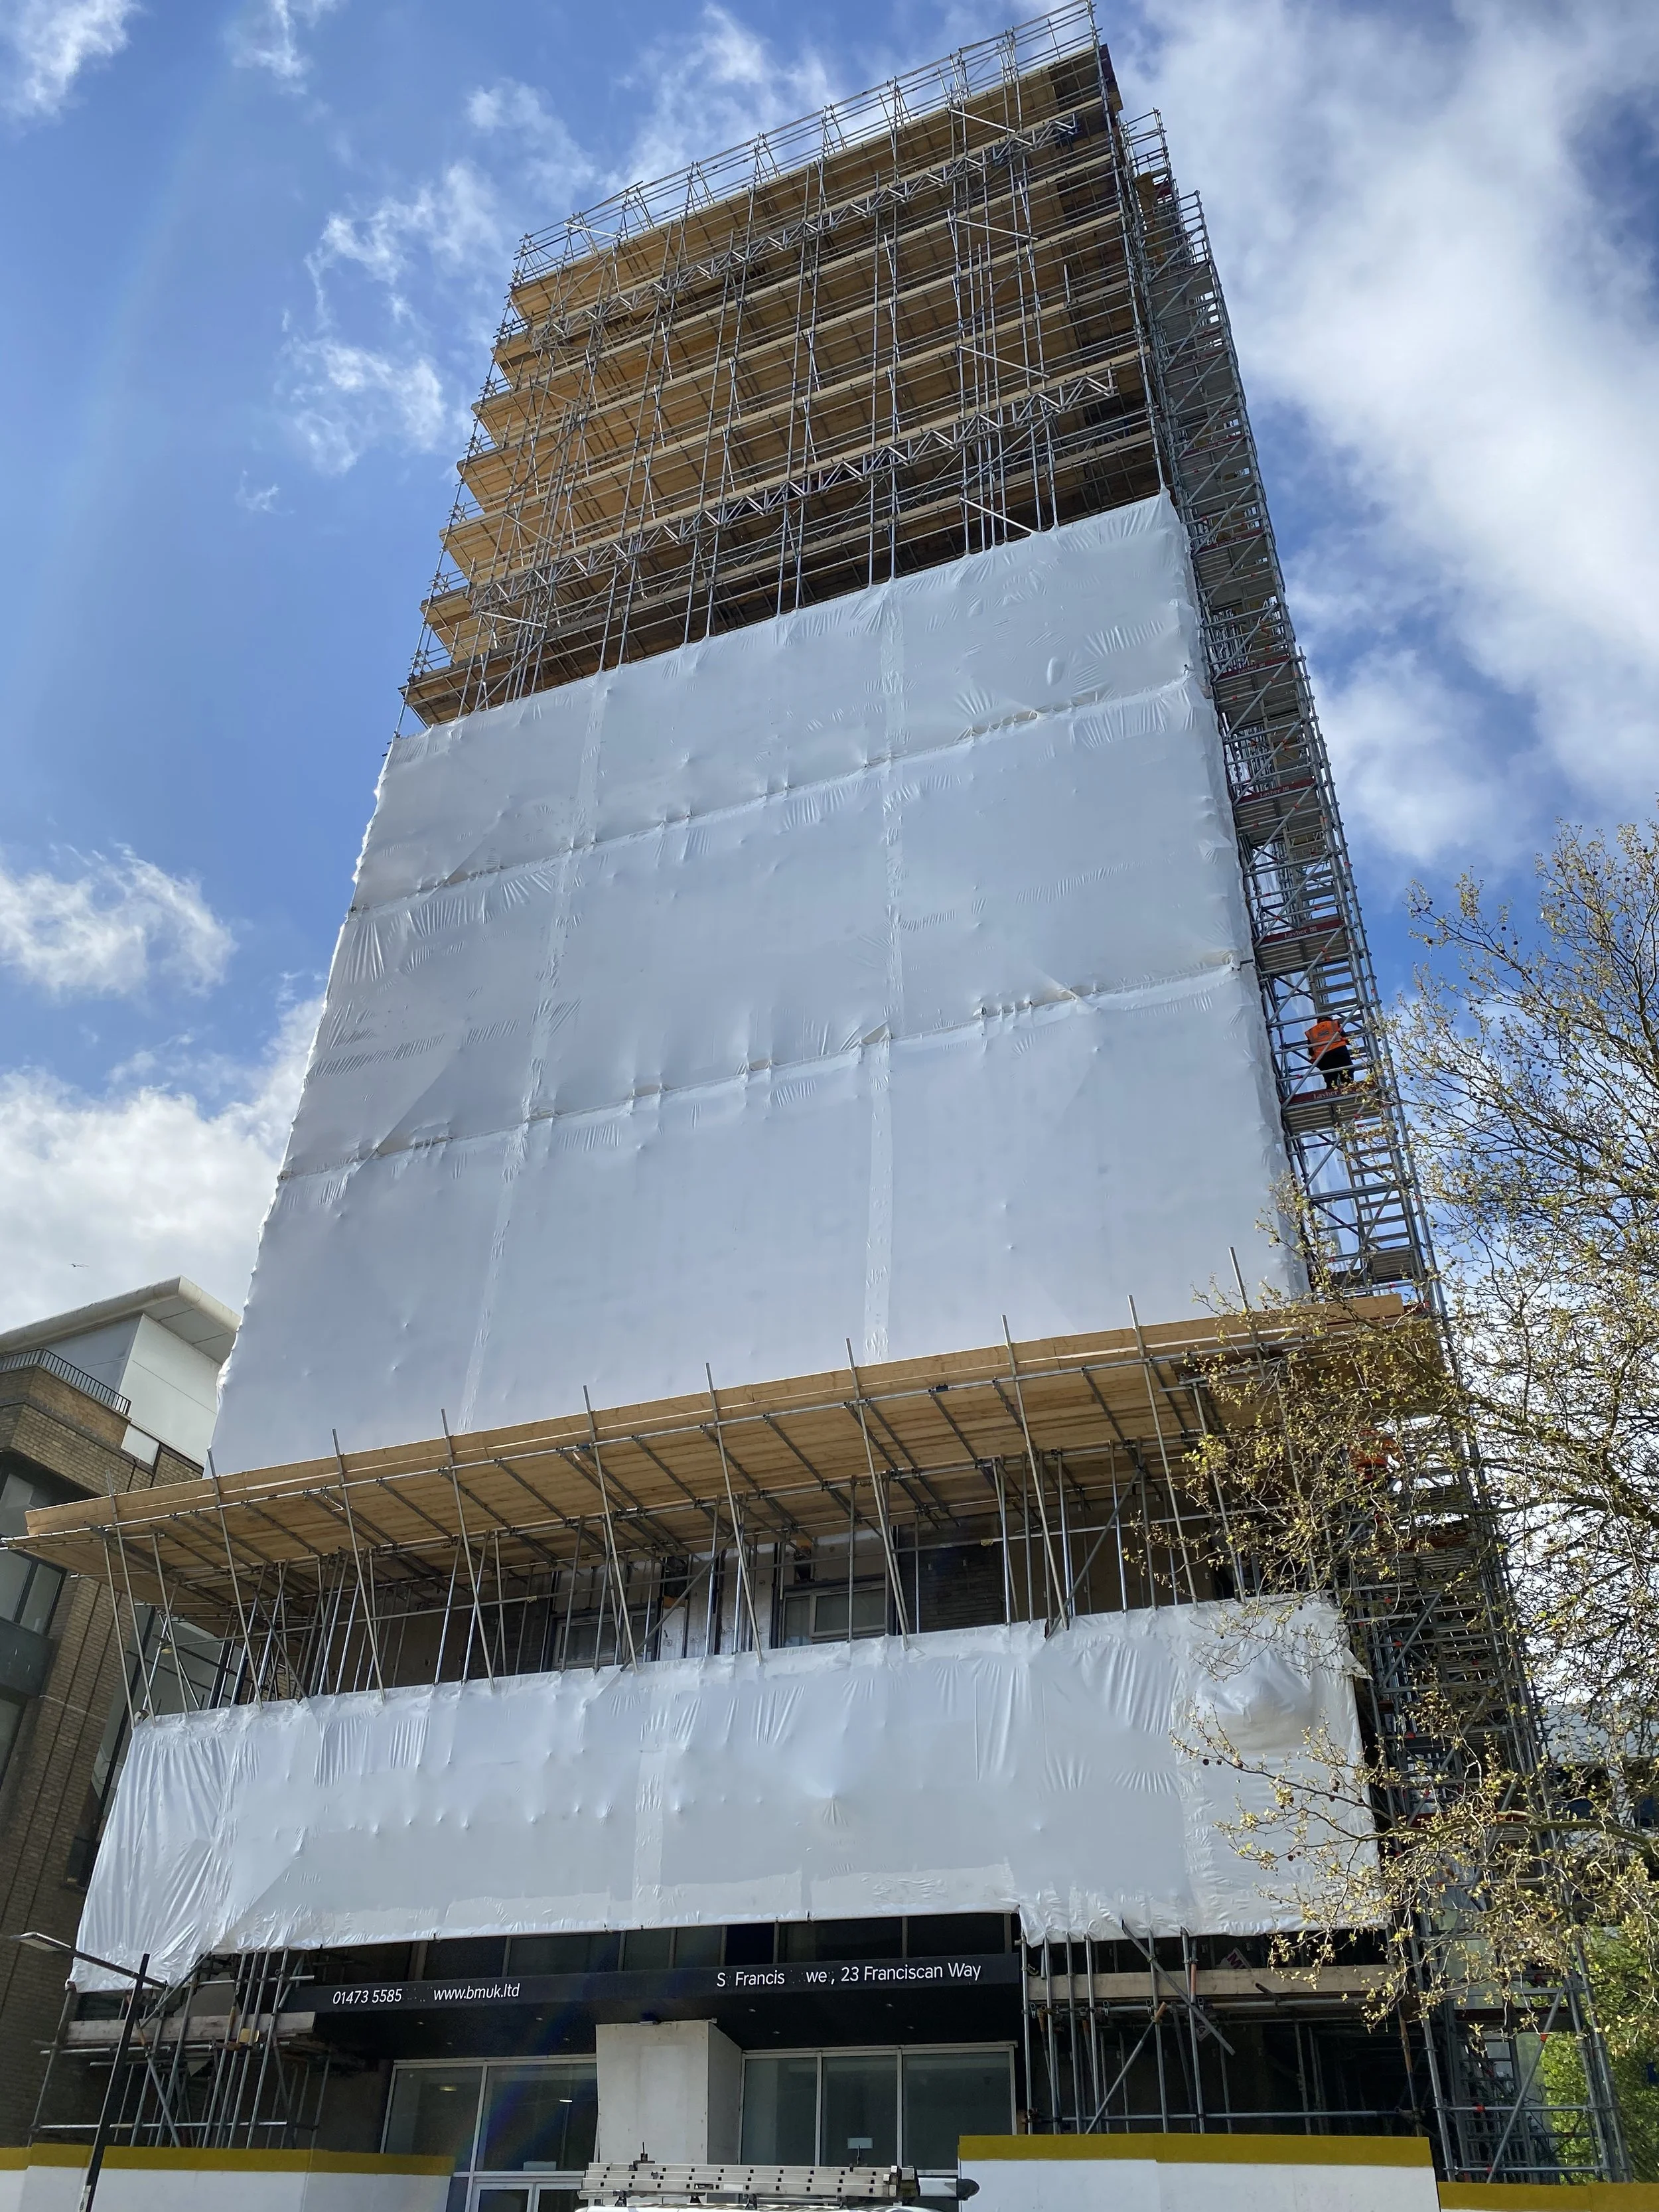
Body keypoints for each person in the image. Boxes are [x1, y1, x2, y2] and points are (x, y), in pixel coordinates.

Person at [1305, 1013, 1354, 1090]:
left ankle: (1331, 1091)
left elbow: (1311, 1050)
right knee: (1347, 1073)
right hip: (1339, 1052)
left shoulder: (1312, 1031)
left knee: (1330, 1078)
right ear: (1329, 1018)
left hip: (1323, 1057)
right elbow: (1346, 1038)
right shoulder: (1334, 1024)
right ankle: (1350, 1088)